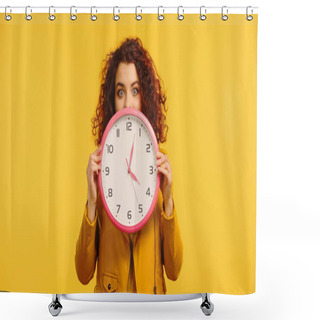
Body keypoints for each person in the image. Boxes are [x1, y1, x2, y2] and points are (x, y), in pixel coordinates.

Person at [75, 37, 183, 294]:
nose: (128, 103)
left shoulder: (160, 163)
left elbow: (175, 269)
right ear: (113, 100)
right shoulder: (101, 166)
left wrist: (167, 198)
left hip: (151, 306)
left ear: (145, 97)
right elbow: (83, 272)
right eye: (120, 91)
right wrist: (92, 201)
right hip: (111, 306)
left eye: (135, 90)